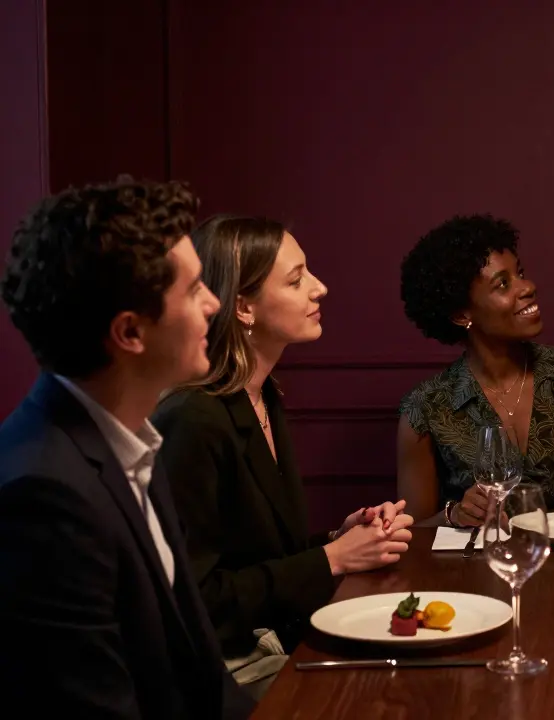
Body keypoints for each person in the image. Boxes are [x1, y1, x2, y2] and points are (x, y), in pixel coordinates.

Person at [0, 178, 253, 718]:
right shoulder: (42, 497)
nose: (213, 303)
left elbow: (203, 676)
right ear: (130, 333)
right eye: (192, 290)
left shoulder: (131, 437)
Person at [152, 216, 413, 698]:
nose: (321, 288)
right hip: (219, 671)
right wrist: (332, 560)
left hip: (271, 643)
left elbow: (258, 557)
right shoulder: (193, 420)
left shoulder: (263, 394)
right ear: (243, 307)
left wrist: (341, 538)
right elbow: (194, 600)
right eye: (296, 280)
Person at [397, 214, 554, 525]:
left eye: (520, 274)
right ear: (461, 314)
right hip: (474, 570)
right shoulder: (426, 408)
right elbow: (412, 534)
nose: (528, 287)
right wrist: (454, 514)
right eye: (503, 283)